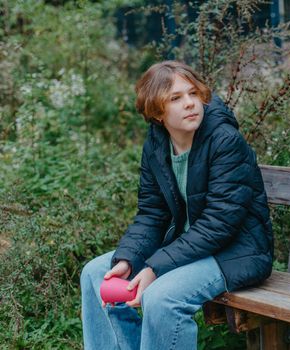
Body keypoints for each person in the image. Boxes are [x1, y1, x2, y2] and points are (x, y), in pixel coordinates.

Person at [80, 61, 273, 350]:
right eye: (176, 98)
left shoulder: (225, 141)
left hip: (235, 251)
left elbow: (219, 224)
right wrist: (128, 259)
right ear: (157, 112)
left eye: (193, 93)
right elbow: (152, 213)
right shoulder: (157, 144)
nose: (190, 104)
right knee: (96, 274)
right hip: (188, 247)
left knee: (161, 297)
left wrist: (154, 268)